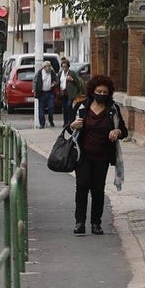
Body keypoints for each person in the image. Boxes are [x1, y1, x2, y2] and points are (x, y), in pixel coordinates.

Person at [67, 74, 128, 236]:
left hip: (103, 156)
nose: (101, 94)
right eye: (98, 91)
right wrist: (72, 125)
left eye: (104, 92)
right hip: (83, 155)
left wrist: (117, 131)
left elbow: (124, 131)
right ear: (92, 91)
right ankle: (79, 222)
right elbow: (68, 128)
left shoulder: (113, 109)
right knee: (81, 187)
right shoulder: (81, 107)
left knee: (98, 190)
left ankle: (96, 223)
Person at [57, 58, 84, 128]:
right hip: (63, 93)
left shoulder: (72, 73)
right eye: (63, 67)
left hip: (71, 93)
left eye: (65, 66)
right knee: (64, 108)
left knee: (69, 106)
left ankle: (71, 121)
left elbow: (78, 82)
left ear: (68, 66)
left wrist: (72, 80)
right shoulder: (60, 74)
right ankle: (65, 122)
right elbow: (58, 82)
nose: (64, 68)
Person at [33, 61, 56, 128]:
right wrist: (34, 89)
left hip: (50, 92)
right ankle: (42, 124)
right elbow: (34, 81)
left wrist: (55, 83)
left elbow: (56, 80)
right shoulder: (39, 73)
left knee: (51, 107)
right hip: (42, 93)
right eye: (48, 66)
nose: (49, 67)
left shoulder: (52, 72)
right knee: (41, 108)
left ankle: (51, 120)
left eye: (50, 66)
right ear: (44, 67)